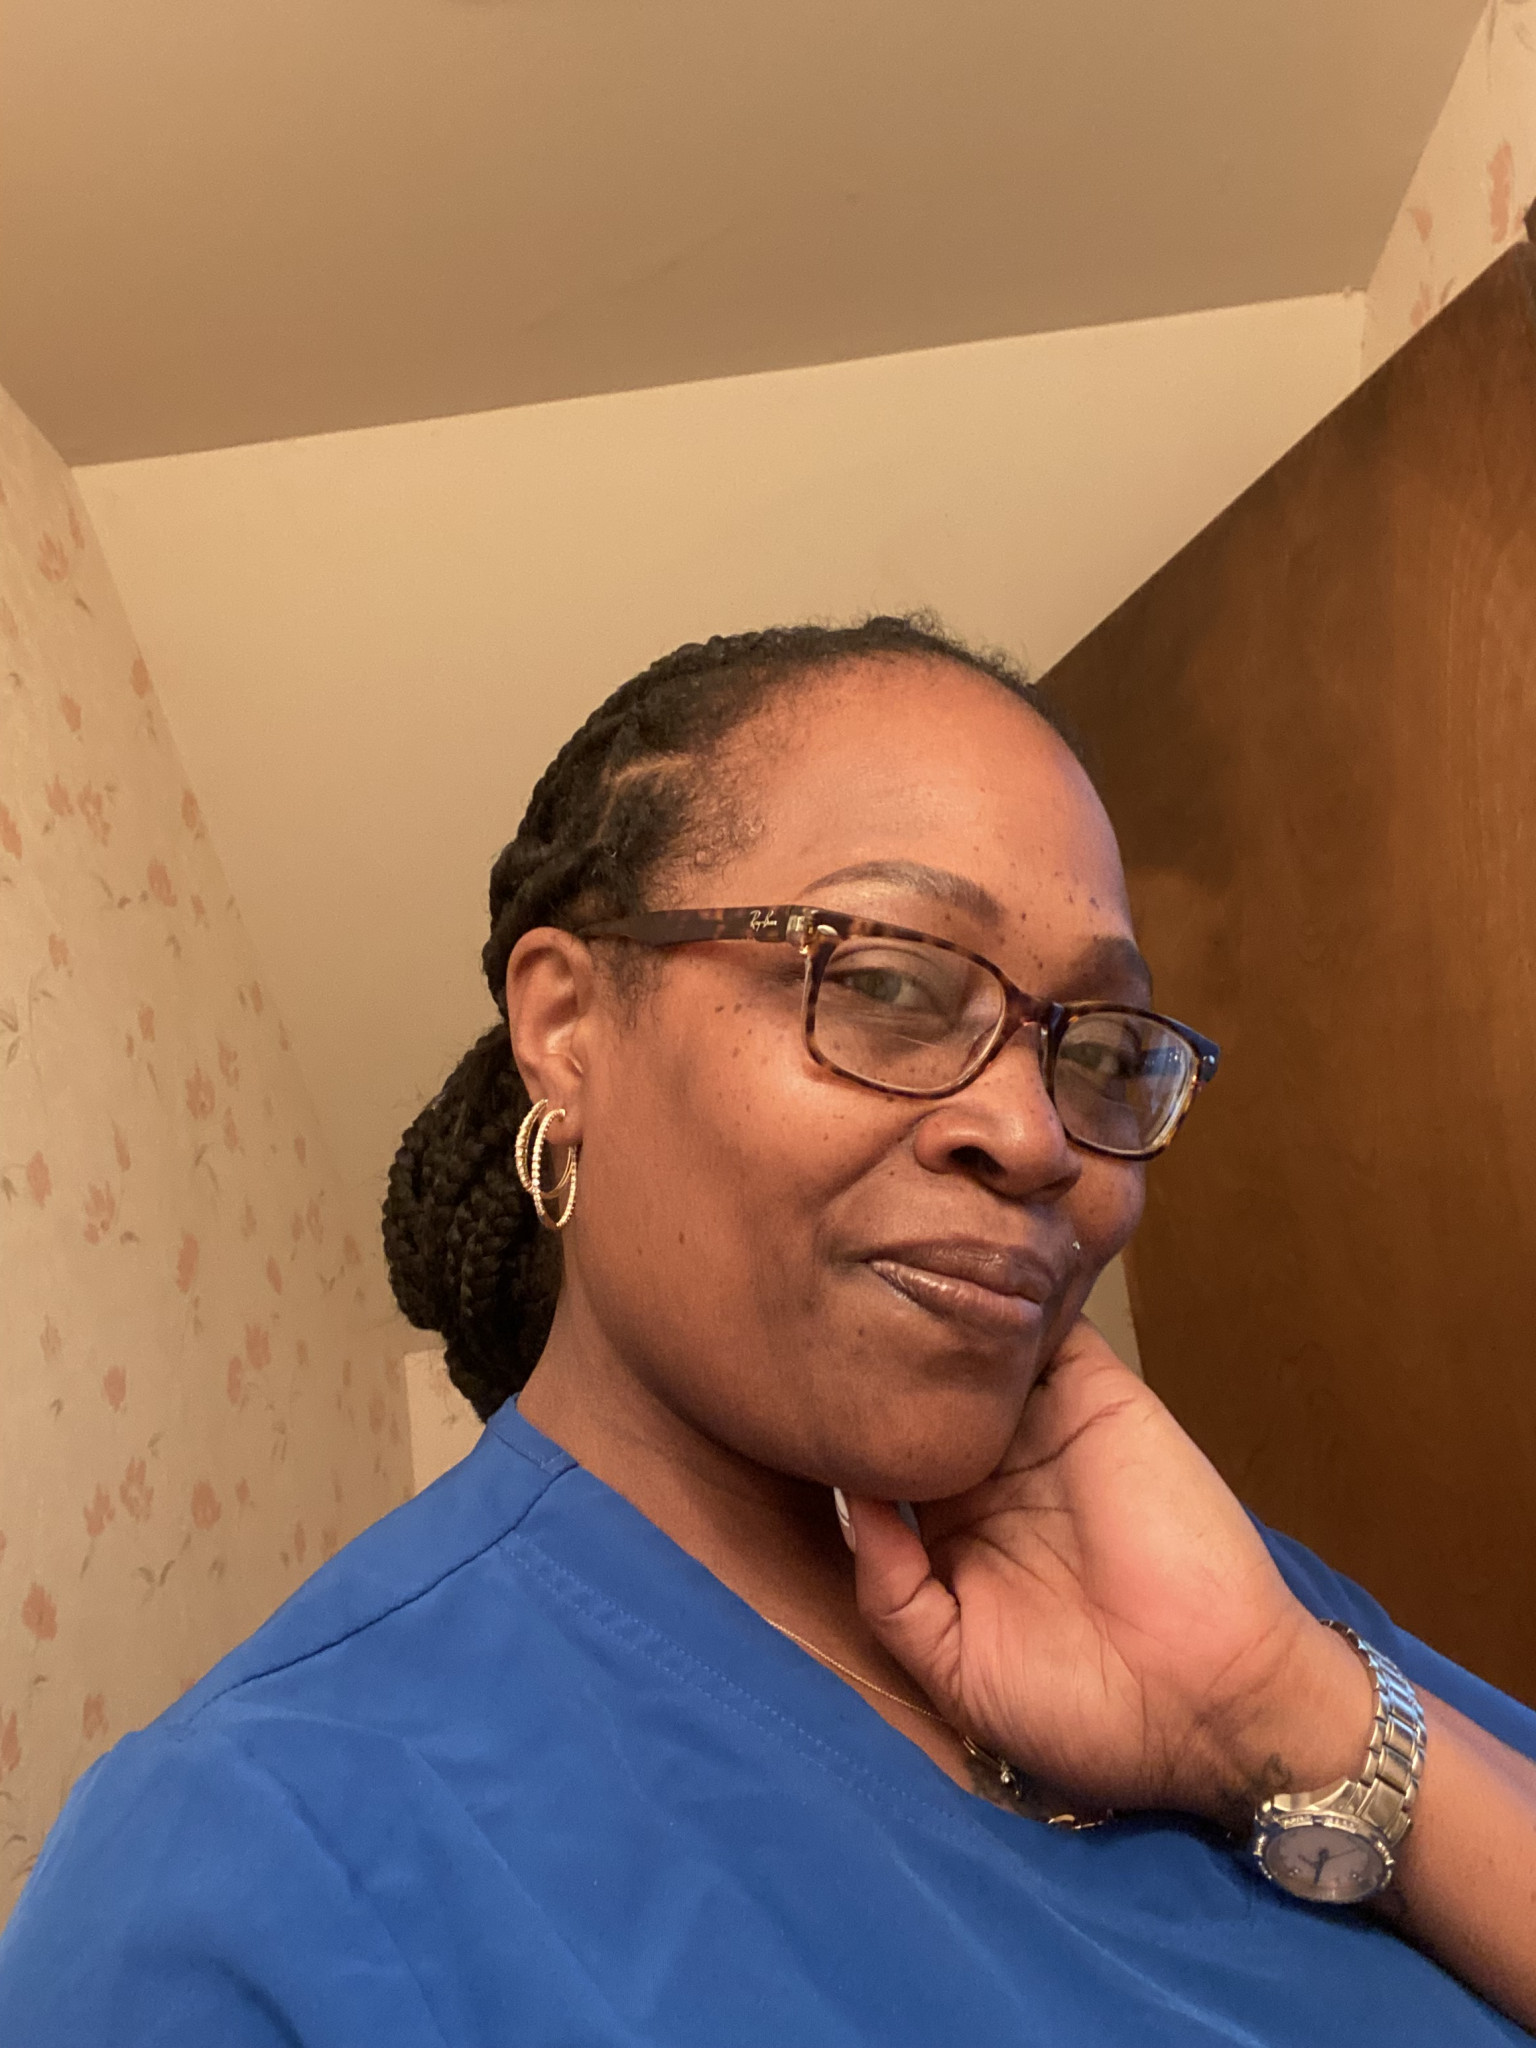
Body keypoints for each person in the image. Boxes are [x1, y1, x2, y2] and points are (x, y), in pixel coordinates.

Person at [2, 617, 1534, 2045]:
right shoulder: (243, 1869)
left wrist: (1283, 1712)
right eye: (888, 981)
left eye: (1103, 1049)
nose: (1036, 1136)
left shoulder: (1195, 1587)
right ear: (566, 1030)